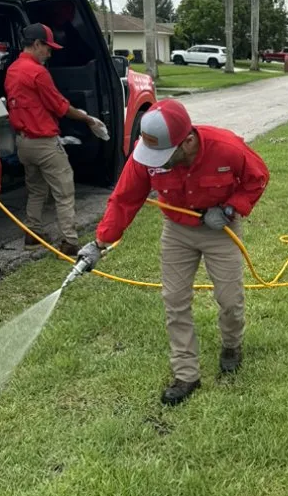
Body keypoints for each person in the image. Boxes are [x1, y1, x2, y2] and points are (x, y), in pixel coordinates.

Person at [78, 99, 270, 406]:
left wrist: (231, 208)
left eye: (166, 156)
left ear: (189, 141)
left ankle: (232, 345)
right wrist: (100, 243)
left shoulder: (226, 147)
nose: (159, 162)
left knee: (229, 299)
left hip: (220, 230)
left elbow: (257, 177)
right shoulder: (147, 156)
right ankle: (186, 374)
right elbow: (124, 200)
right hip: (177, 232)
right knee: (175, 301)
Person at [5, 22, 101, 255]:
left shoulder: (12, 70)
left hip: (23, 142)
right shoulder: (38, 72)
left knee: (36, 189)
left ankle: (33, 233)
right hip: (44, 143)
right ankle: (69, 240)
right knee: (64, 191)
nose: (50, 53)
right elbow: (60, 106)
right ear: (37, 44)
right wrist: (88, 119)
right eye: (47, 48)